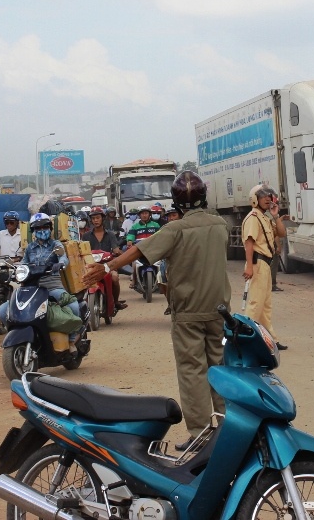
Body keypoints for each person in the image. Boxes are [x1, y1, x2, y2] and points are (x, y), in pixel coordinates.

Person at [83, 171, 229, 451]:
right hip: (219, 312)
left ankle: (199, 435)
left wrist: (106, 267)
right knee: (220, 369)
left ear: (176, 201)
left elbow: (139, 251)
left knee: (192, 371)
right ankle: (225, 430)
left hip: (188, 312)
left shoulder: (175, 230)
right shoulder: (221, 225)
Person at [22, 213, 81, 353]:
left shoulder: (56, 244)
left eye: (45, 226)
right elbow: (23, 263)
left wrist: (59, 264)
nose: (42, 230)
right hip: (33, 287)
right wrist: (18, 269)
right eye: (38, 228)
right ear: (33, 231)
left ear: (50, 227)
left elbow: (64, 258)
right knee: (5, 310)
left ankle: (72, 339)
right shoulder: (30, 248)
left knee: (73, 305)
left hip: (52, 285)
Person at [242, 184, 288, 350]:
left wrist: (276, 216)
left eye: (269, 196)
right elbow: (249, 243)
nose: (268, 198)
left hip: (265, 264)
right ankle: (244, 339)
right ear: (255, 199)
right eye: (263, 196)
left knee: (265, 305)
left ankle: (270, 340)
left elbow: (282, 233)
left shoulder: (265, 217)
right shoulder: (253, 218)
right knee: (255, 303)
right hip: (258, 263)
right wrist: (249, 266)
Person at [83, 207, 127, 311]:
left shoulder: (110, 234)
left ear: (103, 218)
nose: (95, 220)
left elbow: (115, 248)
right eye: (93, 218)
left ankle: (115, 301)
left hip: (108, 265)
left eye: (98, 218)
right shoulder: (86, 236)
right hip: (91, 266)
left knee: (115, 278)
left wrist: (118, 253)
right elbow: (83, 251)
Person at [125, 206, 161, 289]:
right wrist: (129, 240)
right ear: (139, 215)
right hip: (139, 250)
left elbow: (160, 236)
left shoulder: (155, 225)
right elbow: (130, 235)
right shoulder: (135, 226)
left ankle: (161, 281)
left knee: (162, 263)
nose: (144, 215)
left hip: (153, 250)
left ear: (149, 215)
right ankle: (134, 281)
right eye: (142, 213)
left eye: (146, 213)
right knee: (134, 264)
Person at [158, 207, 181, 314]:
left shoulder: (187, 228)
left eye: (174, 215)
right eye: (169, 216)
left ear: (180, 216)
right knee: (161, 277)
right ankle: (170, 304)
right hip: (168, 259)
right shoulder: (164, 229)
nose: (171, 218)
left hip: (185, 259)